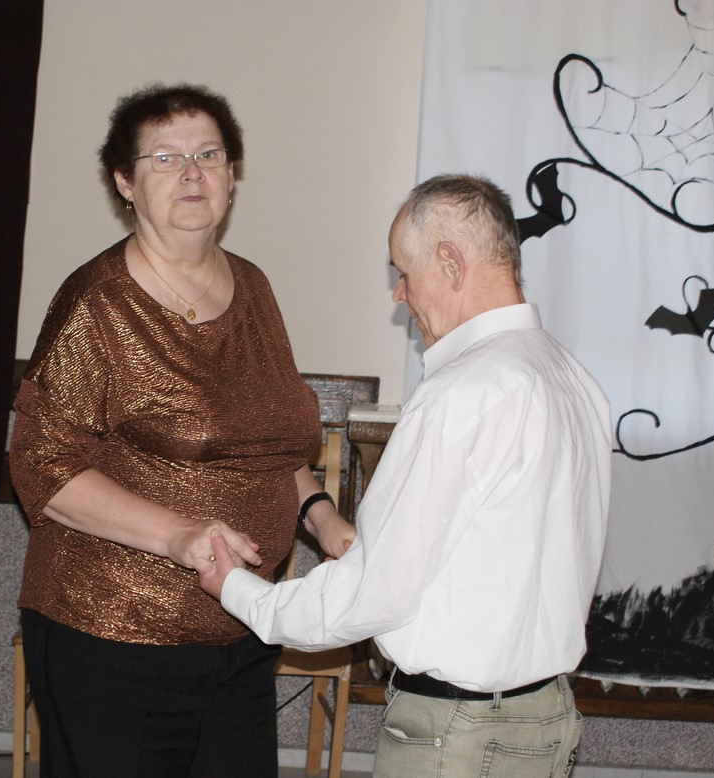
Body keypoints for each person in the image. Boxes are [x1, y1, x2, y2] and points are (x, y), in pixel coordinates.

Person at [201, 174, 612, 777]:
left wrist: (240, 591)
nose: (399, 294)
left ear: (450, 261)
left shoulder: (461, 392)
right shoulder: (574, 378)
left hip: (460, 736)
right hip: (544, 720)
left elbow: (377, 592)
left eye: (404, 272)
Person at [10, 82, 355, 777]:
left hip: (243, 626)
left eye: (208, 154)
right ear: (125, 182)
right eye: (165, 157)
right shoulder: (97, 302)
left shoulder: (253, 287)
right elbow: (42, 468)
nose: (191, 172)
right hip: (113, 636)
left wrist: (324, 521)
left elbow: (270, 448)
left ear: (231, 174)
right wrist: (178, 535)